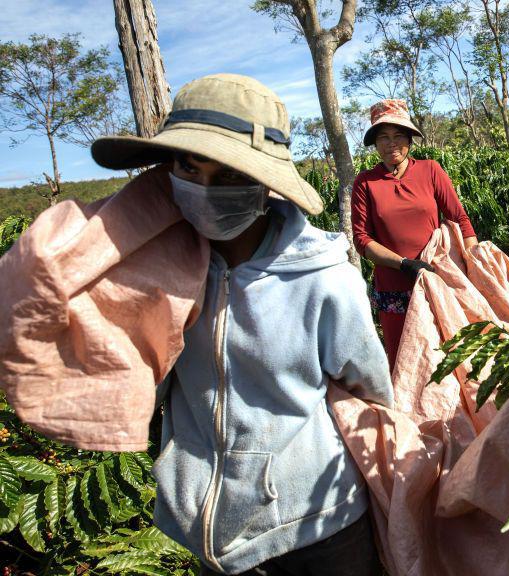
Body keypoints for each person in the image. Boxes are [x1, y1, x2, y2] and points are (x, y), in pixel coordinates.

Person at [89, 74, 392, 575]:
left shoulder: (323, 277)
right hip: (210, 532)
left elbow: (369, 390)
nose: (206, 190)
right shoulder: (157, 269)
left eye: (229, 174)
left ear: (263, 183)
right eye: (190, 167)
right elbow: (140, 385)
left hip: (318, 522)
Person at [351, 99, 479, 368]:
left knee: (449, 355)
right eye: (383, 137)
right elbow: (362, 239)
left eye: (398, 135)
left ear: (410, 139)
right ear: (375, 143)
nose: (391, 143)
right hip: (394, 287)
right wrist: (404, 264)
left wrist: (472, 264)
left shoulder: (430, 170)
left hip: (436, 279)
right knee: (404, 361)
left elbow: (460, 219)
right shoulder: (366, 182)